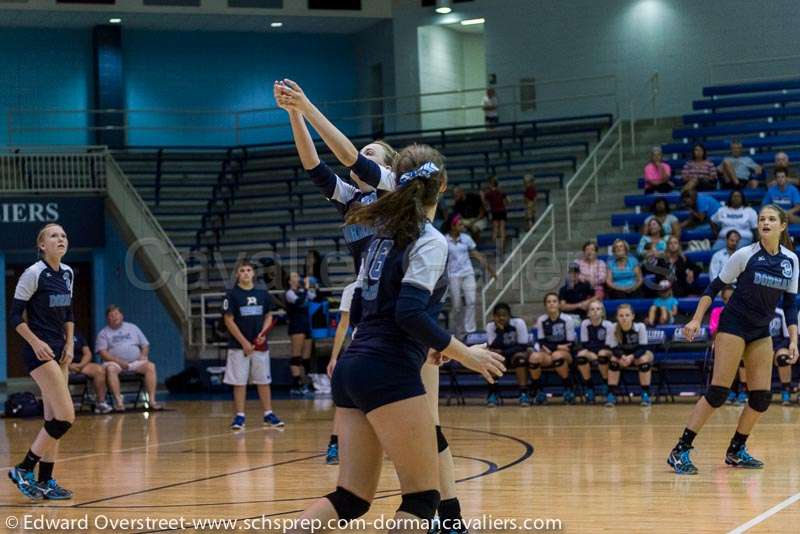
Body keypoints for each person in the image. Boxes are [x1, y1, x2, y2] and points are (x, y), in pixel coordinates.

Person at [277, 82, 475, 532]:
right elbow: (315, 165)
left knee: (431, 424)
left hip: (404, 317)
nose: (360, 156)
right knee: (378, 475)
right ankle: (439, 512)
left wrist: (308, 106)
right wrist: (297, 114)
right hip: (378, 316)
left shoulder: (391, 191)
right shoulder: (358, 200)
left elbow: (347, 153)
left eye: (371, 153)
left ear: (388, 167)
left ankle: (450, 515)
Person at [667, 203, 798, 475]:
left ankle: (736, 449)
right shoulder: (744, 255)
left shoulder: (791, 260)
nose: (765, 222)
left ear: (782, 225)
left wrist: (794, 340)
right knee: (718, 393)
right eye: (762, 218)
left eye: (772, 219)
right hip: (733, 325)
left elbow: (790, 304)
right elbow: (713, 288)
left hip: (761, 330)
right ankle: (680, 449)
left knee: (761, 397)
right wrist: (695, 319)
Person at [7, 223, 76, 501]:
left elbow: (69, 312)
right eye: (53, 236)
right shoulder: (33, 273)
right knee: (66, 417)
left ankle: (46, 480)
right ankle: (24, 468)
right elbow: (13, 317)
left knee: (52, 419)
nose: (60, 239)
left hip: (61, 352)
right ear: (42, 245)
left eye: (63, 235)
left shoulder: (69, 273)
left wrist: (70, 344)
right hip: (39, 353)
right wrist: (35, 342)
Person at [222, 259, 282, 431]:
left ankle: (268, 413)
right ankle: (240, 416)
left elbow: (269, 316)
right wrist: (244, 342)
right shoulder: (232, 295)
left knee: (263, 380)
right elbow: (228, 320)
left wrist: (263, 334)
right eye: (242, 270)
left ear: (253, 273)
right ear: (237, 274)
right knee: (239, 382)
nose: (246, 273)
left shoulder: (262, 294)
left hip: (259, 346)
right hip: (238, 346)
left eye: (249, 270)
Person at [96, 305, 163, 412]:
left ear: (122, 315)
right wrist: (119, 362)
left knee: (150, 366)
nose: (114, 317)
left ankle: (152, 401)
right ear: (107, 318)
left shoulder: (132, 328)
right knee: (111, 369)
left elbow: (145, 345)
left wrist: (143, 355)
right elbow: (103, 353)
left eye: (117, 314)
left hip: (135, 362)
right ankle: (119, 403)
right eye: (111, 315)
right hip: (114, 363)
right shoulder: (103, 333)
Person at [445, 214, 496, 338]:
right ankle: (458, 331)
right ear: (452, 226)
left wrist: (490, 270)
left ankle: (470, 331)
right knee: (456, 306)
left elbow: (477, 254)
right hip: (453, 275)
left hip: (468, 273)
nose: (462, 226)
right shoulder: (444, 240)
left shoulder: (466, 238)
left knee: (471, 301)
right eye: (460, 224)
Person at [325, 281, 358, 465]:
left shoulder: (391, 283)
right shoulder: (351, 289)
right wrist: (334, 357)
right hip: (360, 349)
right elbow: (343, 325)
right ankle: (334, 445)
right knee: (343, 403)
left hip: (383, 349)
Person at [530, 293, 577, 405]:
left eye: (554, 301)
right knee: (534, 357)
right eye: (549, 302)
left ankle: (568, 388)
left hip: (566, 354)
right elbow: (541, 342)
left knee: (557, 355)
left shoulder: (567, 319)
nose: (551, 304)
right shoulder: (542, 320)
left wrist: (554, 347)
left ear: (559, 304)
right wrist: (557, 346)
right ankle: (538, 390)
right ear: (545, 305)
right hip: (548, 352)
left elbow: (570, 343)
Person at [606, 304, 654, 407]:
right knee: (613, 359)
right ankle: (611, 394)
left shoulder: (640, 327)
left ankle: (645, 394)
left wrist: (631, 357)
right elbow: (614, 348)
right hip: (622, 356)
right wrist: (623, 357)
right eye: (621, 315)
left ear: (632, 316)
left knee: (644, 359)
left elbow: (643, 348)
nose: (624, 318)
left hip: (638, 354)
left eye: (627, 315)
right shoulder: (613, 327)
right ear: (617, 317)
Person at [709, 286, 749, 406]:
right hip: (723, 344)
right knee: (727, 358)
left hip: (741, 344)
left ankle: (743, 391)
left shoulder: (743, 312)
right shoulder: (717, 311)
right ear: (722, 299)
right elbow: (714, 333)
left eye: (731, 298)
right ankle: (730, 391)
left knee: (741, 358)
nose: (729, 301)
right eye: (726, 299)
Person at [485, 303, 531, 406]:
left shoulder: (519, 323)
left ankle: (523, 393)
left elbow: (523, 346)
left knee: (520, 359)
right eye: (498, 315)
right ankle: (493, 393)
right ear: (494, 317)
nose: (501, 318)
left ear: (509, 316)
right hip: (502, 355)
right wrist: (500, 331)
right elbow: (493, 346)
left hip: (515, 353)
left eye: (504, 315)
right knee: (491, 360)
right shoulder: (490, 326)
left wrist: (504, 352)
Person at [575, 299, 614, 403]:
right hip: (592, 351)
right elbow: (584, 344)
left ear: (602, 312)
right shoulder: (585, 324)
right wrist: (590, 353)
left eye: (598, 309)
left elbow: (608, 345)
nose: (595, 311)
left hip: (607, 352)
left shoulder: (608, 325)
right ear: (588, 313)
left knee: (602, 354)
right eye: (592, 309)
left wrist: (594, 355)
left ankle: (606, 384)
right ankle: (590, 387)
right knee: (580, 356)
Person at [285, 272, 316, 397]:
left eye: (298, 276)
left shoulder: (303, 290)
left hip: (306, 324)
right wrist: (306, 289)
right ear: (289, 281)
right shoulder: (289, 293)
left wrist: (311, 286)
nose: (297, 279)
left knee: (306, 357)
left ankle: (306, 383)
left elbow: (313, 297)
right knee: (296, 356)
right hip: (296, 325)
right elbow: (299, 301)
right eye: (294, 277)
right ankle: (296, 384)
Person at [68, 332, 112, 414]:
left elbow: (87, 354)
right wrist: (68, 366)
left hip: (80, 364)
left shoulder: (78, 335)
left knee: (99, 370)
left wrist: (80, 365)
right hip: (62, 366)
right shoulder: (53, 335)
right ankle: (63, 406)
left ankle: (101, 403)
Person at [768, 307, 795, 405]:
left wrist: (774, 350)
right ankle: (763, 391)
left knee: (783, 358)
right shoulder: (756, 312)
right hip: (762, 346)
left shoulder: (780, 313)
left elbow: (787, 337)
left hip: (779, 346)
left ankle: (785, 390)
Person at [483, 176, 508, 255]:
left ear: (490, 184)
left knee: (495, 230)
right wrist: (503, 204)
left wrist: (482, 196)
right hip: (502, 211)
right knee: (502, 229)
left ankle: (495, 248)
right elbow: (508, 200)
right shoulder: (501, 192)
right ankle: (502, 248)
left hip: (495, 212)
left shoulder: (489, 194)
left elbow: (485, 203)